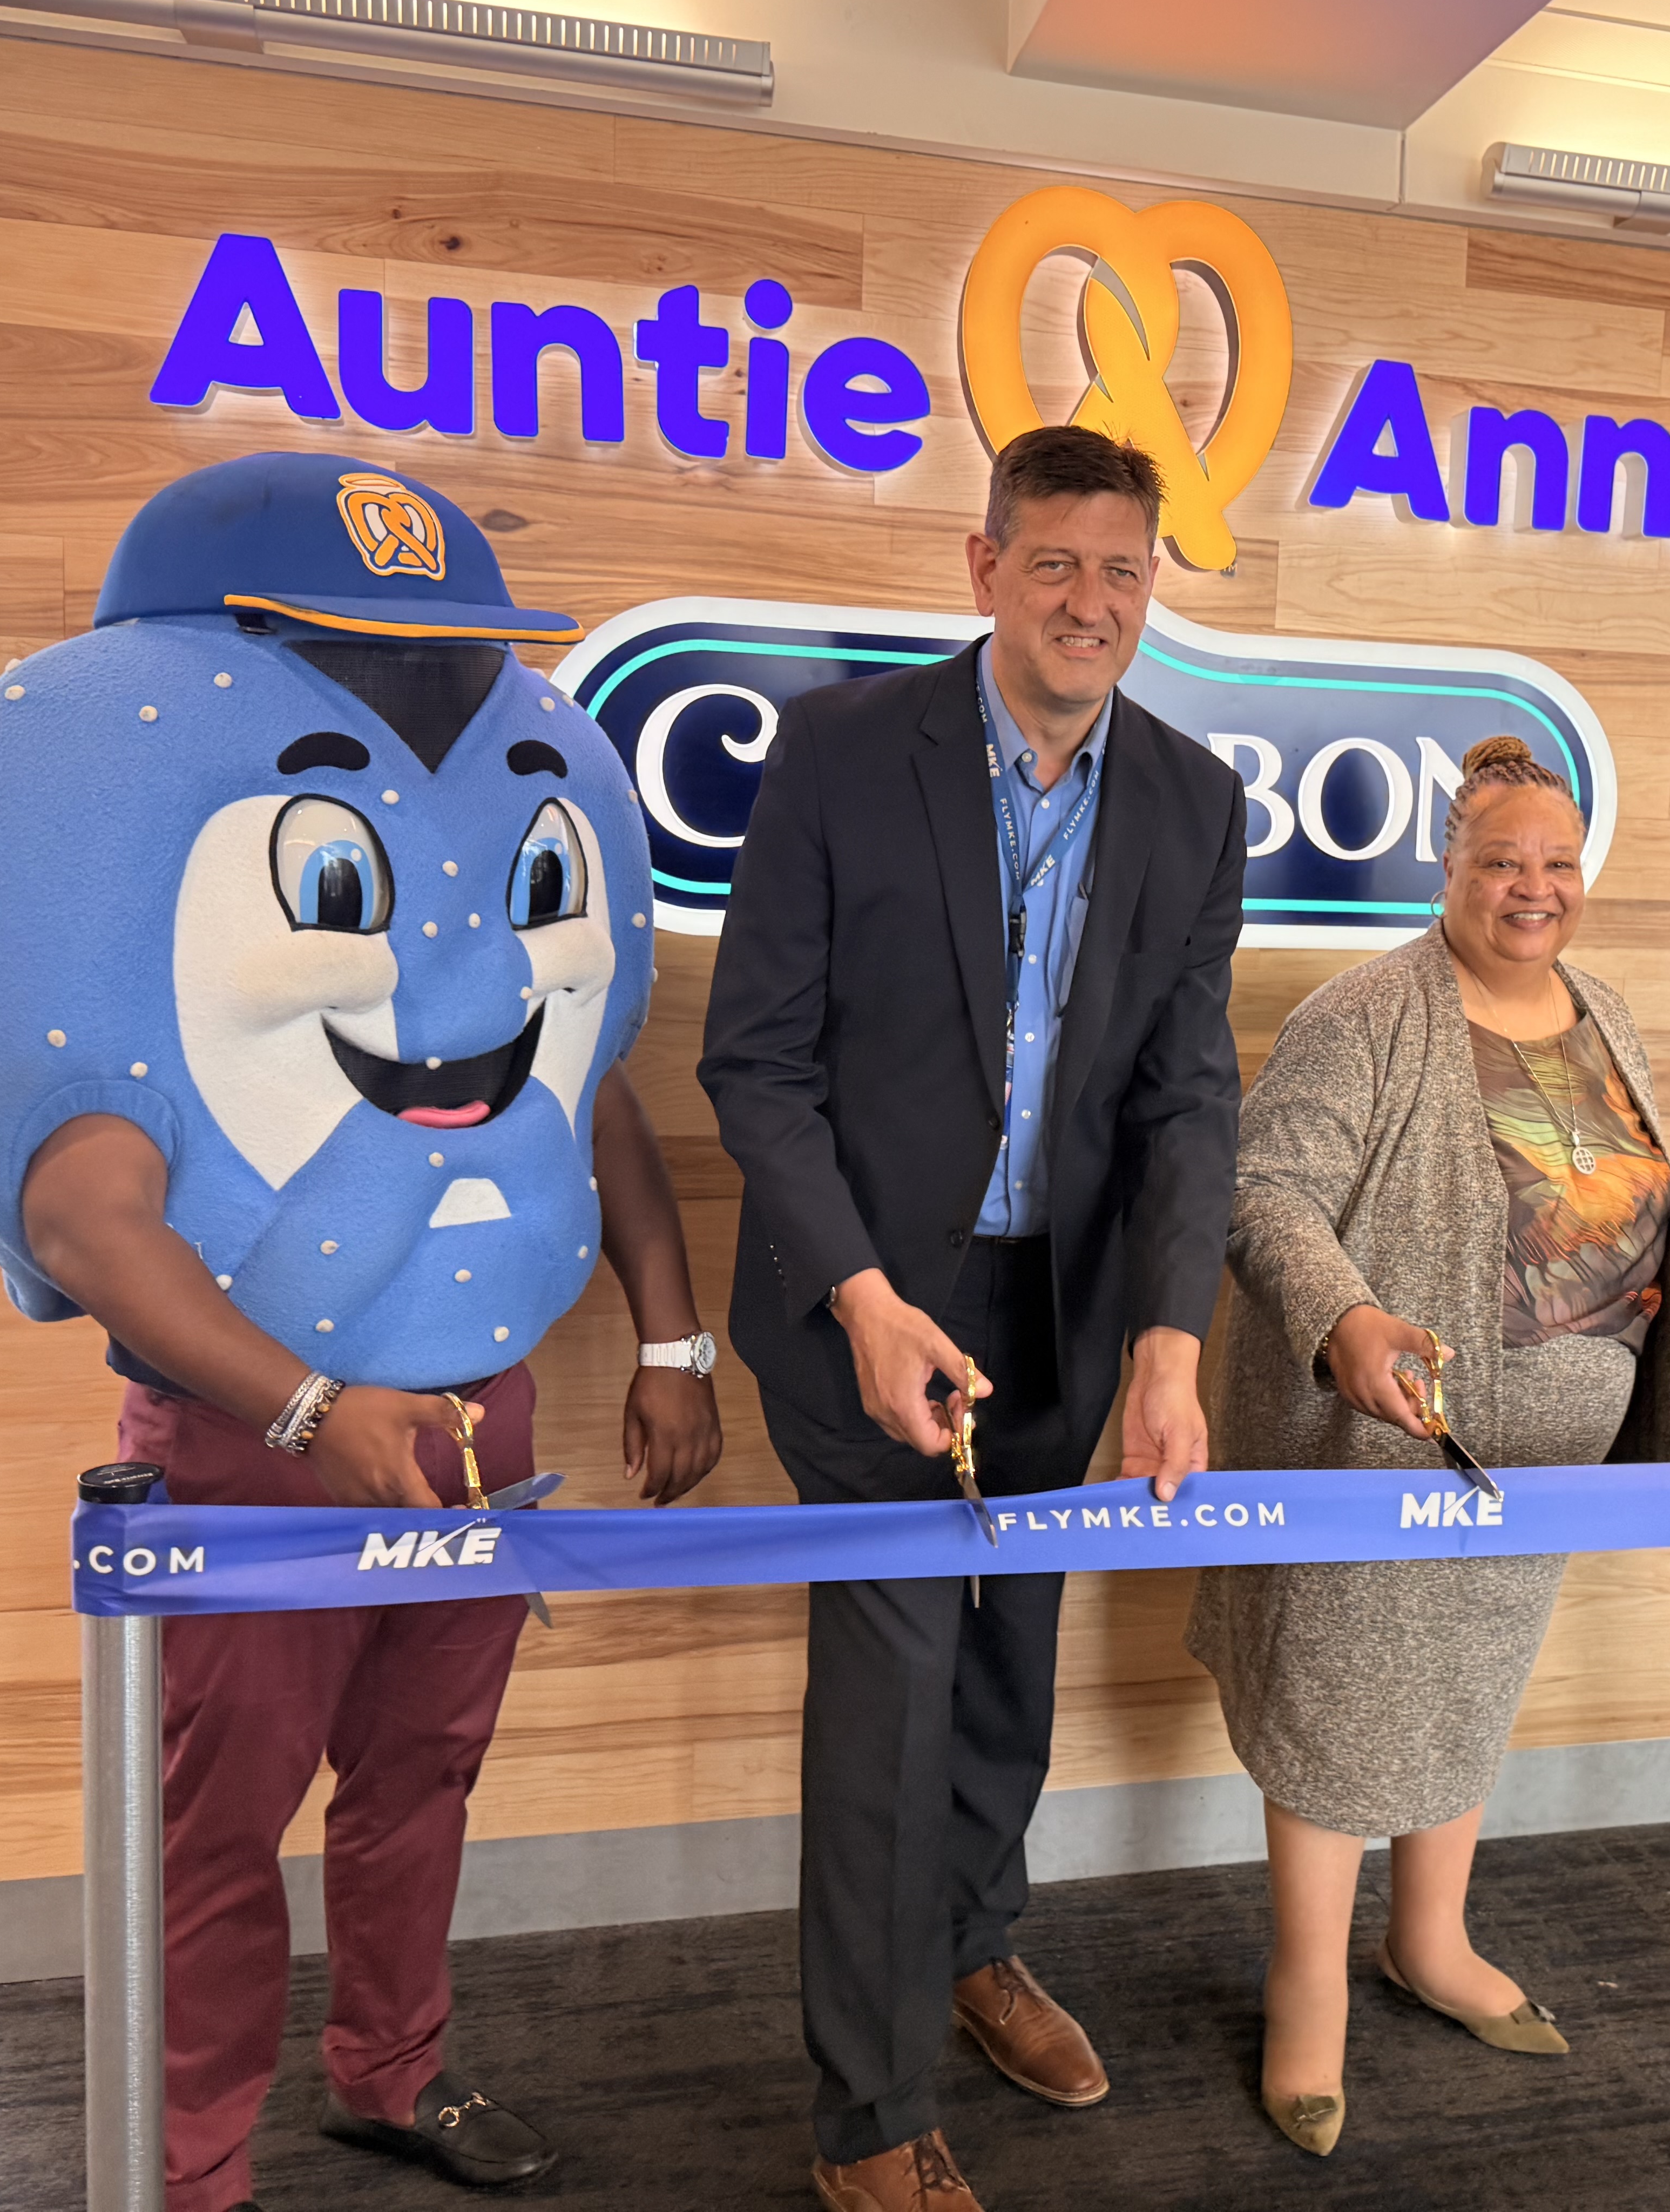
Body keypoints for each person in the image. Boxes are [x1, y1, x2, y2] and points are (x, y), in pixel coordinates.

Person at [0, 452, 726, 2212]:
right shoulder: (125, 828)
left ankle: (393, 2070)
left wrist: (674, 1345)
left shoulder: (512, 829)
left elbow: (586, 1098)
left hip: (478, 1420)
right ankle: (188, 2162)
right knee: (218, 1827)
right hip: (241, 1449)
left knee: (425, 1773)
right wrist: (302, 1409)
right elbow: (81, 1210)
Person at [698, 425, 1245, 2212]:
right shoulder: (845, 755)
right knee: (894, 1679)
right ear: (983, 565)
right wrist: (860, 1294)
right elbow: (755, 1066)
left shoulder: (1185, 798)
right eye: (1058, 564)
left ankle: (971, 1942)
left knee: (1011, 1643)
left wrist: (1169, 1339)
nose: (1093, 602)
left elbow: (1187, 1097)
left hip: (1063, 1307)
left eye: (1126, 572)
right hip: (863, 1298)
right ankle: (866, 2114)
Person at [1188, 735, 1670, 2157]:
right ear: (1448, 870)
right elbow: (1265, 1192)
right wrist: (1343, 1320)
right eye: (1503, 861)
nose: (1535, 888)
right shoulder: (1369, 1014)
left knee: (1469, 1689)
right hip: (1375, 1448)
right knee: (1340, 1713)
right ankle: (1306, 1993)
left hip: (1534, 1466)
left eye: (1558, 864)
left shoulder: (1606, 1012)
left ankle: (1431, 1939)